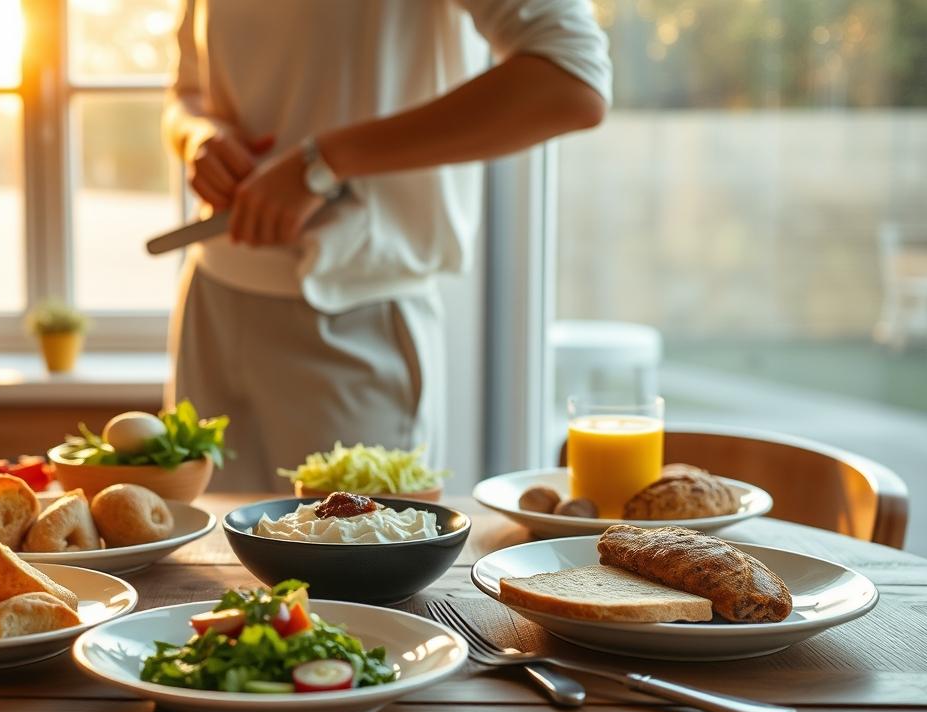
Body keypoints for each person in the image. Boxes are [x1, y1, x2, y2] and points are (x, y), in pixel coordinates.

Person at [164, 0, 611, 491]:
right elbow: (186, 90)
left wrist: (324, 161)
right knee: (198, 563)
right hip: (210, 303)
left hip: (354, 316)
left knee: (349, 564)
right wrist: (197, 136)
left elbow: (572, 78)